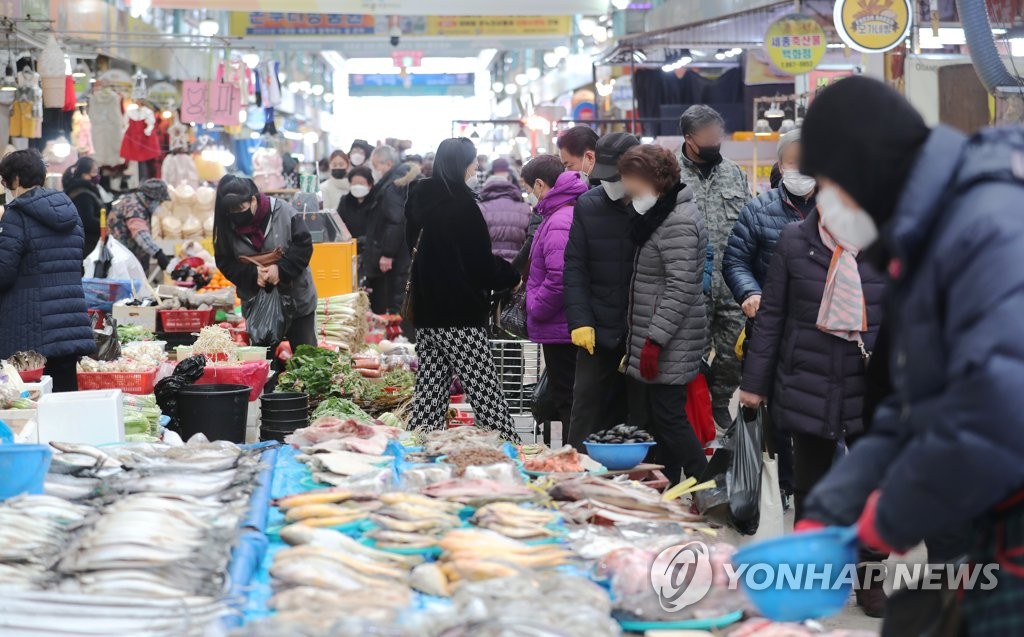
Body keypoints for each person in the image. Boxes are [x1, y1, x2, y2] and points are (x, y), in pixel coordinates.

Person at [778, 76, 1024, 634]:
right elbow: (910, 406)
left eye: (831, 182)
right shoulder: (928, 237)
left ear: (865, 168)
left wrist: (885, 520)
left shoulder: (990, 226)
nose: (826, 200)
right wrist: (828, 513)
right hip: (989, 508)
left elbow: (1000, 411)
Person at [404, 137, 522, 442]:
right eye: (474, 162)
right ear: (462, 165)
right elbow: (480, 265)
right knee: (488, 399)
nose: (477, 168)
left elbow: (413, 249)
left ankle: (416, 454)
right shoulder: (462, 207)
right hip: (459, 317)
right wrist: (510, 276)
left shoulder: (419, 200)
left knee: (428, 401)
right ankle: (510, 457)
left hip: (428, 314)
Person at [723, 128, 816, 502]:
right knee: (775, 410)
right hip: (770, 326)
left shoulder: (839, 210)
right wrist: (749, 292)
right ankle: (785, 482)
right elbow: (736, 261)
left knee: (818, 411)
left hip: (821, 329)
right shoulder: (758, 210)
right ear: (780, 164)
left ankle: (820, 484)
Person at [618, 144, 709, 485]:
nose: (628, 189)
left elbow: (681, 287)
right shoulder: (659, 215)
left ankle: (708, 487)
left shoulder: (678, 222)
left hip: (672, 336)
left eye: (632, 181)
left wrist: (655, 339)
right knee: (661, 416)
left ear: (653, 180)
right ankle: (670, 484)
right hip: (662, 332)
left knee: (669, 417)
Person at [562, 132, 640, 449]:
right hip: (595, 329)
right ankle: (577, 474)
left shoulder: (655, 204)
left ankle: (638, 484)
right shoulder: (588, 204)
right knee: (586, 408)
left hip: (642, 330)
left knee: (635, 414)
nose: (609, 183)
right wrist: (580, 321)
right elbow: (575, 266)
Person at [675, 104, 749, 431]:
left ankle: (719, 402)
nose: (716, 141)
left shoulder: (734, 173)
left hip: (731, 283)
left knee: (735, 354)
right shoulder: (670, 175)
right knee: (690, 357)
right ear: (690, 139)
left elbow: (748, 225)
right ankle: (695, 413)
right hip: (690, 286)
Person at [0, 150, 95, 391]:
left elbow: (4, 272)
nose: (6, 188)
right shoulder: (70, 211)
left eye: (4, 181)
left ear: (17, 179)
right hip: (70, 322)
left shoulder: (17, 215)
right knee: (64, 398)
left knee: (30, 402)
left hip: (28, 327)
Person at [522, 154, 589, 436]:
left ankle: (578, 460)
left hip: (559, 324)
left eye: (528, 189)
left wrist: (535, 307)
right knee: (569, 397)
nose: (529, 196)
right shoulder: (563, 212)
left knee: (567, 398)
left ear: (539, 184)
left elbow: (559, 277)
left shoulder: (560, 219)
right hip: (564, 322)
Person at [213, 176, 317, 350]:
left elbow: (304, 246)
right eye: (231, 210)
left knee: (306, 358)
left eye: (240, 208)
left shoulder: (283, 211)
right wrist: (253, 274)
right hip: (257, 306)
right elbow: (225, 262)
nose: (236, 214)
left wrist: (281, 270)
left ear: (253, 200)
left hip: (297, 299)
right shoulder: (226, 224)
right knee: (264, 364)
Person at [365, 145, 419, 316]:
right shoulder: (406, 180)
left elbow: (395, 222)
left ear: (387, 163)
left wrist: (387, 253)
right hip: (408, 248)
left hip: (398, 253)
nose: (374, 170)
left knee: (397, 294)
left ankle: (399, 335)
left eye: (376, 165)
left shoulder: (394, 186)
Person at [106, 178, 172, 273]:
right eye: (160, 201)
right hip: (125, 262)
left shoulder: (131, 200)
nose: (160, 205)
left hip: (120, 257)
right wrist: (158, 254)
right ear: (152, 199)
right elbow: (141, 234)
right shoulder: (135, 209)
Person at [479, 171, 530, 263]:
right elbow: (530, 240)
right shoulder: (524, 208)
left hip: (489, 265)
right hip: (517, 264)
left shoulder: (481, 209)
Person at [61, 157, 104, 258]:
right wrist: (105, 225)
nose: (97, 175)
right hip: (87, 245)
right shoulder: (83, 195)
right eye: (94, 172)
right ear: (84, 174)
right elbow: (87, 221)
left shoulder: (85, 190)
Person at [337, 165, 374, 280]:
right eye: (354, 183)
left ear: (370, 185)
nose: (357, 187)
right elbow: (339, 224)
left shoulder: (377, 201)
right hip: (349, 251)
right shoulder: (345, 201)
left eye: (361, 183)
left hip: (370, 251)